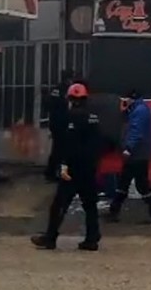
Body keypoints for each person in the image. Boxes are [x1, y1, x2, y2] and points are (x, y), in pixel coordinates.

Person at [31, 83, 103, 251]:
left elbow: (68, 145)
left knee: (59, 204)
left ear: (70, 99)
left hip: (73, 169)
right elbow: (99, 143)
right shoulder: (94, 117)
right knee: (90, 205)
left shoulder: (70, 118)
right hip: (89, 169)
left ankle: (50, 237)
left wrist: (63, 165)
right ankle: (92, 238)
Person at [107, 89, 151, 224]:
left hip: (136, 154)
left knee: (135, 184)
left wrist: (128, 148)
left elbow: (136, 131)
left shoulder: (139, 112)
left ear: (131, 99)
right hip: (139, 154)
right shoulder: (140, 109)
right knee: (131, 183)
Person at [41, 70, 74, 183]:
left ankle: (54, 172)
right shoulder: (63, 90)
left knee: (59, 149)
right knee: (59, 150)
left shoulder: (57, 89)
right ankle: (53, 172)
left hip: (57, 123)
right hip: (60, 124)